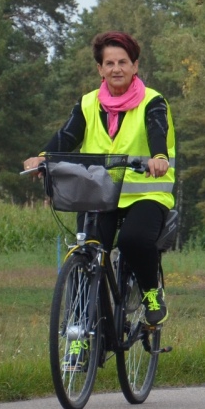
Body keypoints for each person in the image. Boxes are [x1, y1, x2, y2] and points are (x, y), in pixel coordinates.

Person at [24, 31, 175, 328]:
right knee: (87, 253)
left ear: (135, 66)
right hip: (99, 194)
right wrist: (43, 158)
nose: (116, 68)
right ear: (100, 69)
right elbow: (66, 136)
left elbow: (157, 131)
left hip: (144, 192)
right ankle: (79, 332)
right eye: (109, 63)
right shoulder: (88, 103)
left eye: (123, 62)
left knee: (132, 240)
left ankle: (150, 292)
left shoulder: (152, 101)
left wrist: (158, 158)